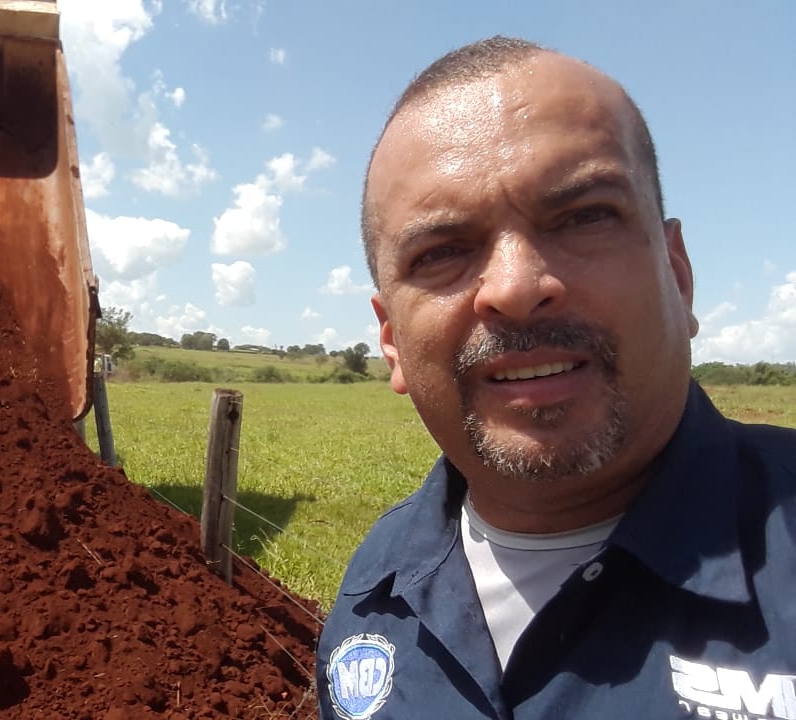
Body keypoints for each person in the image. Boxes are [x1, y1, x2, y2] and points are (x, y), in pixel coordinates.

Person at [317, 36, 796, 720]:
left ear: (679, 278)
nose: (514, 288)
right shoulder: (374, 589)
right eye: (443, 252)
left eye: (583, 217)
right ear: (391, 341)